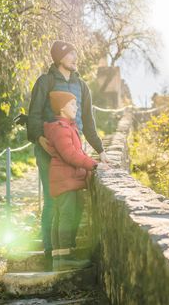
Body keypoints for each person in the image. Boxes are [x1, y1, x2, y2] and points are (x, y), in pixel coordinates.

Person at [27, 40, 108, 271]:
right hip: (48, 150)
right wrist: (41, 139)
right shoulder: (45, 81)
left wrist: (100, 151)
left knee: (73, 200)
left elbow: (89, 122)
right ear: (58, 57)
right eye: (70, 53)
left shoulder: (82, 86)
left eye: (75, 52)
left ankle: (66, 252)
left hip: (74, 149)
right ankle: (50, 254)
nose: (75, 56)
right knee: (54, 201)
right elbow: (33, 116)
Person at [43, 91, 109, 270]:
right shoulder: (60, 129)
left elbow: (78, 153)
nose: (76, 107)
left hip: (67, 180)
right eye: (73, 104)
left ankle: (60, 257)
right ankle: (64, 258)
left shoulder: (68, 127)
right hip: (65, 181)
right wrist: (94, 166)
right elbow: (70, 155)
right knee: (67, 216)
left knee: (65, 215)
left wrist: (92, 163)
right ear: (62, 108)